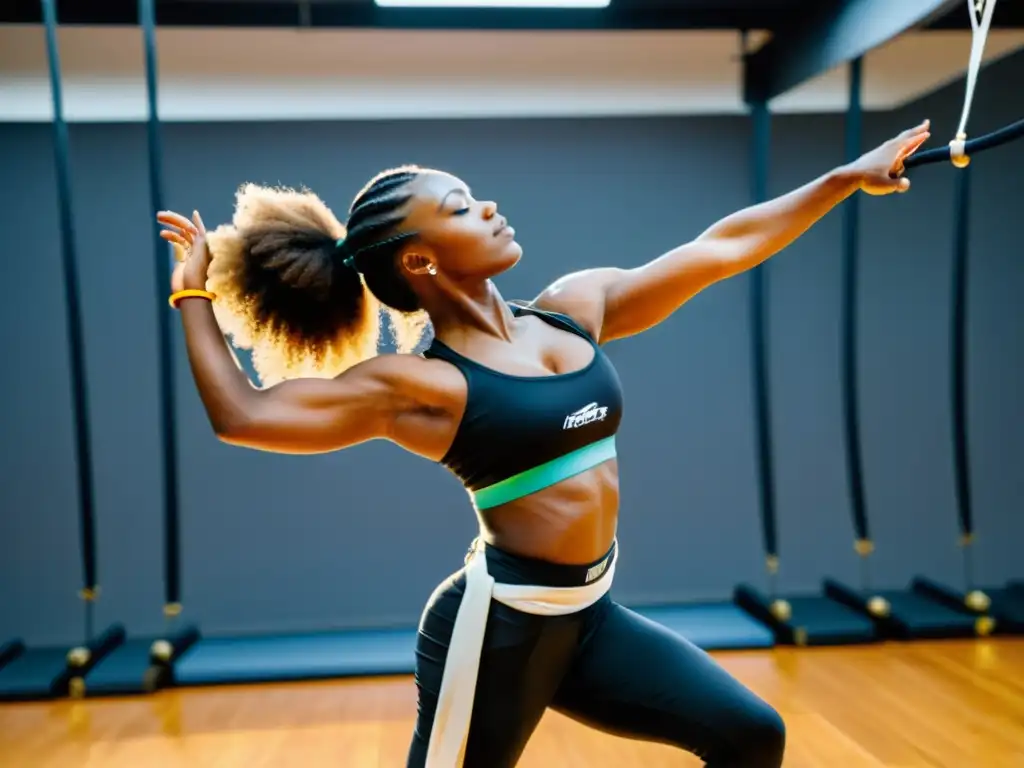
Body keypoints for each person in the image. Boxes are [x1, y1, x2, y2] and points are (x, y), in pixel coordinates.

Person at [157, 118, 931, 768]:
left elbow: (721, 247)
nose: (489, 206)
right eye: (461, 208)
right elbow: (244, 416)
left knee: (751, 735)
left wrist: (842, 180)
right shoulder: (421, 386)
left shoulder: (572, 310)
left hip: (588, 616)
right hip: (497, 630)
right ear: (420, 260)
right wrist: (193, 290)